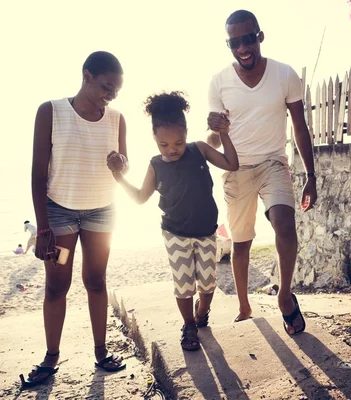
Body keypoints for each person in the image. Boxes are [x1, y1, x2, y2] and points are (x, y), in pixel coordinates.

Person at [206, 10, 317, 335]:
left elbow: (300, 127)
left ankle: (284, 295)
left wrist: (311, 174)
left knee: (284, 222)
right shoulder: (218, 82)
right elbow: (215, 136)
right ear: (229, 44)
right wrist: (213, 129)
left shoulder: (284, 75)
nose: (243, 47)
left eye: (248, 38)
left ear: (260, 37)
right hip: (235, 167)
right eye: (234, 42)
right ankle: (244, 304)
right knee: (241, 243)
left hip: (273, 163)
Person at [21, 51, 128, 388]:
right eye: (106, 87)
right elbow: (38, 174)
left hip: (101, 212)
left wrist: (120, 164)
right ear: (86, 76)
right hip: (60, 215)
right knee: (57, 285)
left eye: (115, 92)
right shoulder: (50, 111)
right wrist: (42, 228)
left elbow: (124, 169)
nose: (110, 96)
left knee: (96, 280)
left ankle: (100, 352)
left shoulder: (117, 118)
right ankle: (51, 358)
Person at [108, 91, 238, 351]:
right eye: (164, 145)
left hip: (206, 232)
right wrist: (118, 177)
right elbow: (140, 198)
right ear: (154, 139)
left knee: (208, 283)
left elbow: (232, 164)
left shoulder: (199, 149)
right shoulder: (156, 165)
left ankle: (202, 315)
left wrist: (223, 133)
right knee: (183, 285)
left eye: (178, 143)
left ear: (186, 133)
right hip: (175, 234)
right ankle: (189, 325)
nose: (172, 149)